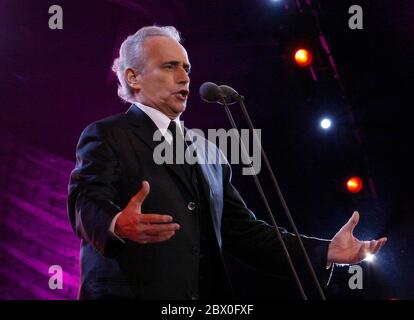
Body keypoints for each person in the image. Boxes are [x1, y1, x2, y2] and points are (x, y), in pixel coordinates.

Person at [67, 25, 387, 300]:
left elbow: (242, 232)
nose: (184, 78)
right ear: (133, 77)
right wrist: (116, 224)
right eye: (169, 67)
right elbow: (86, 200)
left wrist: (325, 251)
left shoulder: (209, 152)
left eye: (186, 68)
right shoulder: (108, 135)